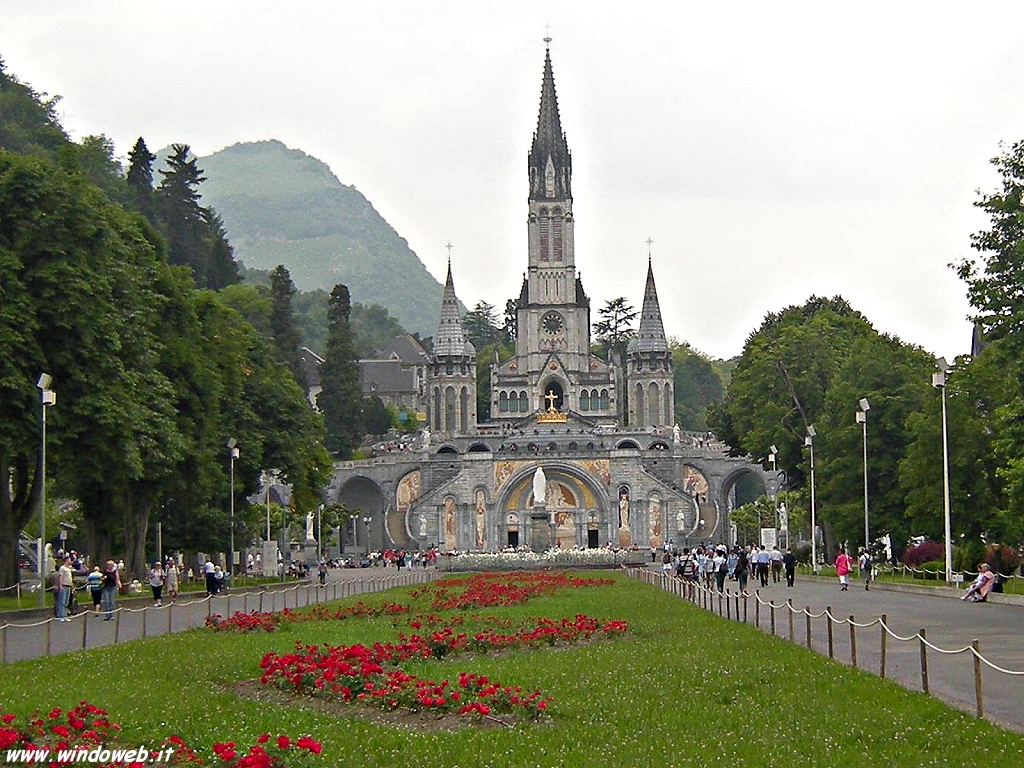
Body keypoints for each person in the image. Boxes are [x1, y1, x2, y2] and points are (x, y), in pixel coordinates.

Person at [56, 555, 74, 621]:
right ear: (66, 560)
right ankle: (61, 616)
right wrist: (60, 585)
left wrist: (73, 587)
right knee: (62, 601)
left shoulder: (69, 569)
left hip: (69, 586)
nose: (70, 561)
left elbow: (70, 579)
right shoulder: (62, 568)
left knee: (66, 602)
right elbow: (61, 577)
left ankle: (65, 615)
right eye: (69, 559)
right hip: (64, 585)